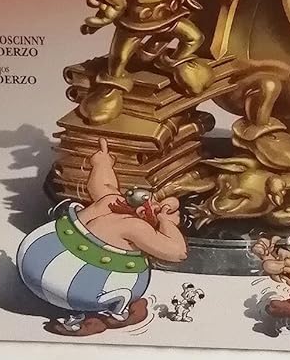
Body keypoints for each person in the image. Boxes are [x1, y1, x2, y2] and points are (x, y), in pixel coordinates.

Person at [17, 138, 188, 337]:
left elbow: (102, 184)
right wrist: (166, 222)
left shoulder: (111, 201)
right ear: (143, 212)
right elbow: (178, 252)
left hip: (35, 257)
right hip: (77, 284)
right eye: (156, 207)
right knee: (117, 287)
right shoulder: (134, 226)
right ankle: (115, 314)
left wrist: (102, 162)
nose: (159, 208)